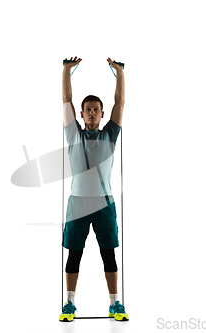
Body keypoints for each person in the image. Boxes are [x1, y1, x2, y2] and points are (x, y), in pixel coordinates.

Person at [59, 56, 128, 322]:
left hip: (104, 203)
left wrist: (119, 73)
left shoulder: (110, 134)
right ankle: (69, 304)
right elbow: (66, 100)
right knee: (74, 254)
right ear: (82, 113)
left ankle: (115, 304)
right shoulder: (73, 133)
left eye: (95, 109)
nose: (91, 112)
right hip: (78, 203)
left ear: (101, 113)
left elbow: (120, 103)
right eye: (87, 109)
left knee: (107, 254)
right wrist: (66, 71)